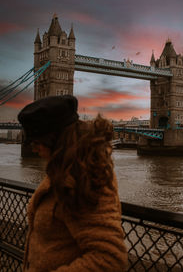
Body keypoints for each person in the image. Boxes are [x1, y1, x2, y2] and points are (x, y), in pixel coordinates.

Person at [18, 95, 128, 272]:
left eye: (38, 141)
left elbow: (109, 258)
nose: (33, 148)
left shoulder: (87, 177)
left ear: (56, 139)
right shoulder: (65, 166)